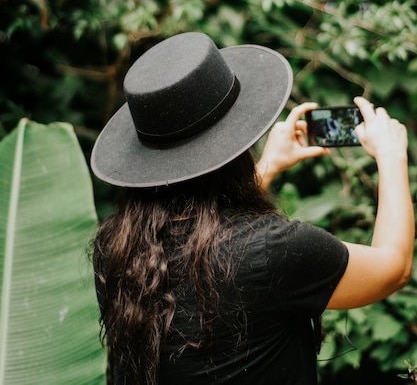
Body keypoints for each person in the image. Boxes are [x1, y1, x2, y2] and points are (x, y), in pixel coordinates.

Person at [91, 32, 414, 385]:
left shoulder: (116, 249)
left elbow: (204, 229)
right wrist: (391, 155)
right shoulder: (271, 249)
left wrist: (269, 165)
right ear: (236, 141)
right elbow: (393, 268)